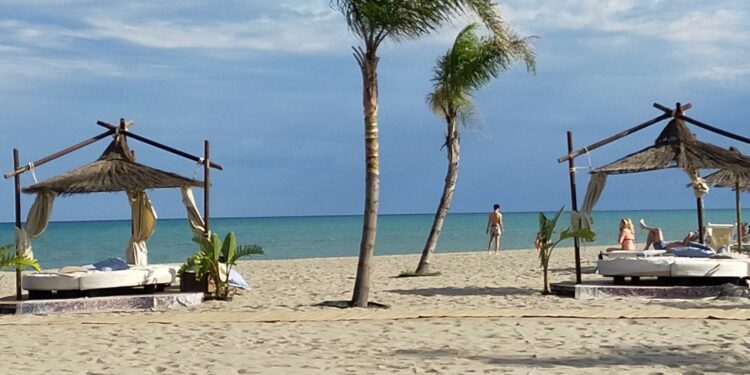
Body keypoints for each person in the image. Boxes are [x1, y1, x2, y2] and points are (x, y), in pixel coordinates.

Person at [639, 219, 710, 251]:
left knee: (658, 230)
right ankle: (646, 248)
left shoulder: (695, 240)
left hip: (662, 247)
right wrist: (686, 241)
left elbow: (690, 234)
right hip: (663, 245)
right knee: (652, 232)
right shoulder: (697, 239)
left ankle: (644, 227)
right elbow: (690, 234)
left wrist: (686, 242)